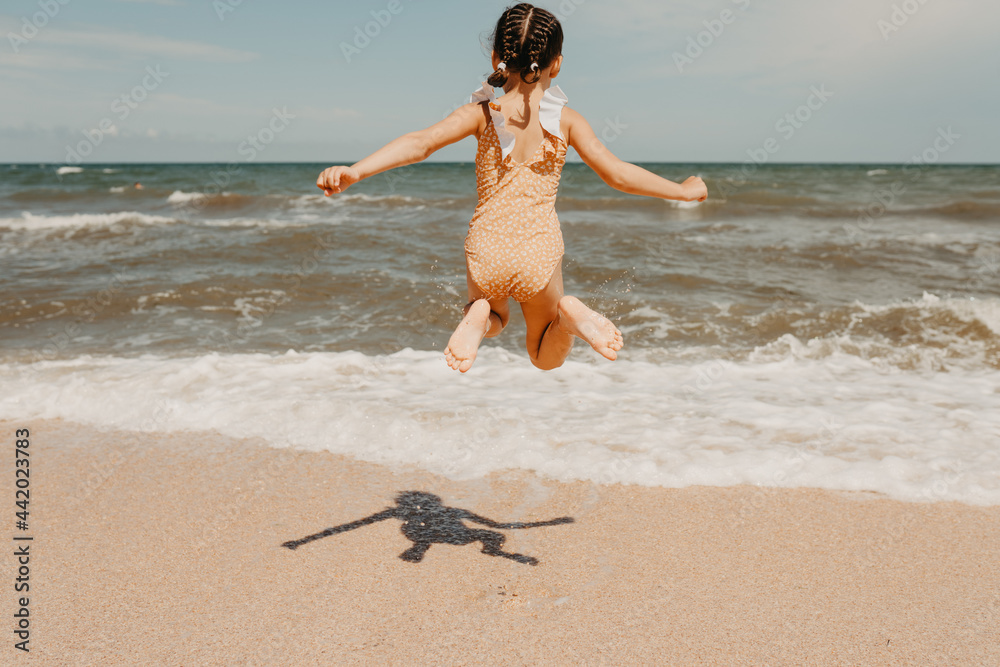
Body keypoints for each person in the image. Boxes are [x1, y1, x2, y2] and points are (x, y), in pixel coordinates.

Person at [317, 3, 707, 373]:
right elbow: (617, 174)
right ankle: (570, 318)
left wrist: (356, 171)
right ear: (557, 64)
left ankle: (480, 316)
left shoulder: (481, 114)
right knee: (542, 356)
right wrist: (683, 192)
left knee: (497, 316)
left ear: (495, 59)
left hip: (487, 245)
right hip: (538, 250)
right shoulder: (568, 121)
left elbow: (421, 143)